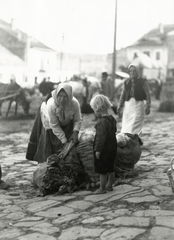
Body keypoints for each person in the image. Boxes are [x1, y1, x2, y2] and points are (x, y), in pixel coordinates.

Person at [26, 83, 82, 163]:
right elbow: (54, 125)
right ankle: (49, 164)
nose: (62, 99)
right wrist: (64, 141)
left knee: (71, 143)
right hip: (49, 121)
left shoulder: (74, 103)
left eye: (65, 96)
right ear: (56, 95)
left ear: (69, 96)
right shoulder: (51, 105)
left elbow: (77, 119)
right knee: (52, 144)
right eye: (60, 96)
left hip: (66, 120)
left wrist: (75, 132)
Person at [90, 94, 117, 194]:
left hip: (104, 148)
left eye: (94, 109)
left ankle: (102, 188)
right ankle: (109, 185)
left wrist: (98, 150)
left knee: (102, 169)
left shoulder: (101, 122)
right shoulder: (112, 119)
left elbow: (100, 138)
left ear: (98, 108)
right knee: (110, 167)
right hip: (113, 146)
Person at [117, 64, 151, 137]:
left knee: (136, 122)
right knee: (127, 123)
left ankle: (134, 138)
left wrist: (148, 105)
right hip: (128, 106)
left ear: (137, 71)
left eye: (134, 71)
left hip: (138, 104)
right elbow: (123, 94)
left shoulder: (142, 81)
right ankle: (127, 138)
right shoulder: (126, 82)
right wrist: (120, 105)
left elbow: (147, 93)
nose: (132, 72)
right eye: (130, 71)